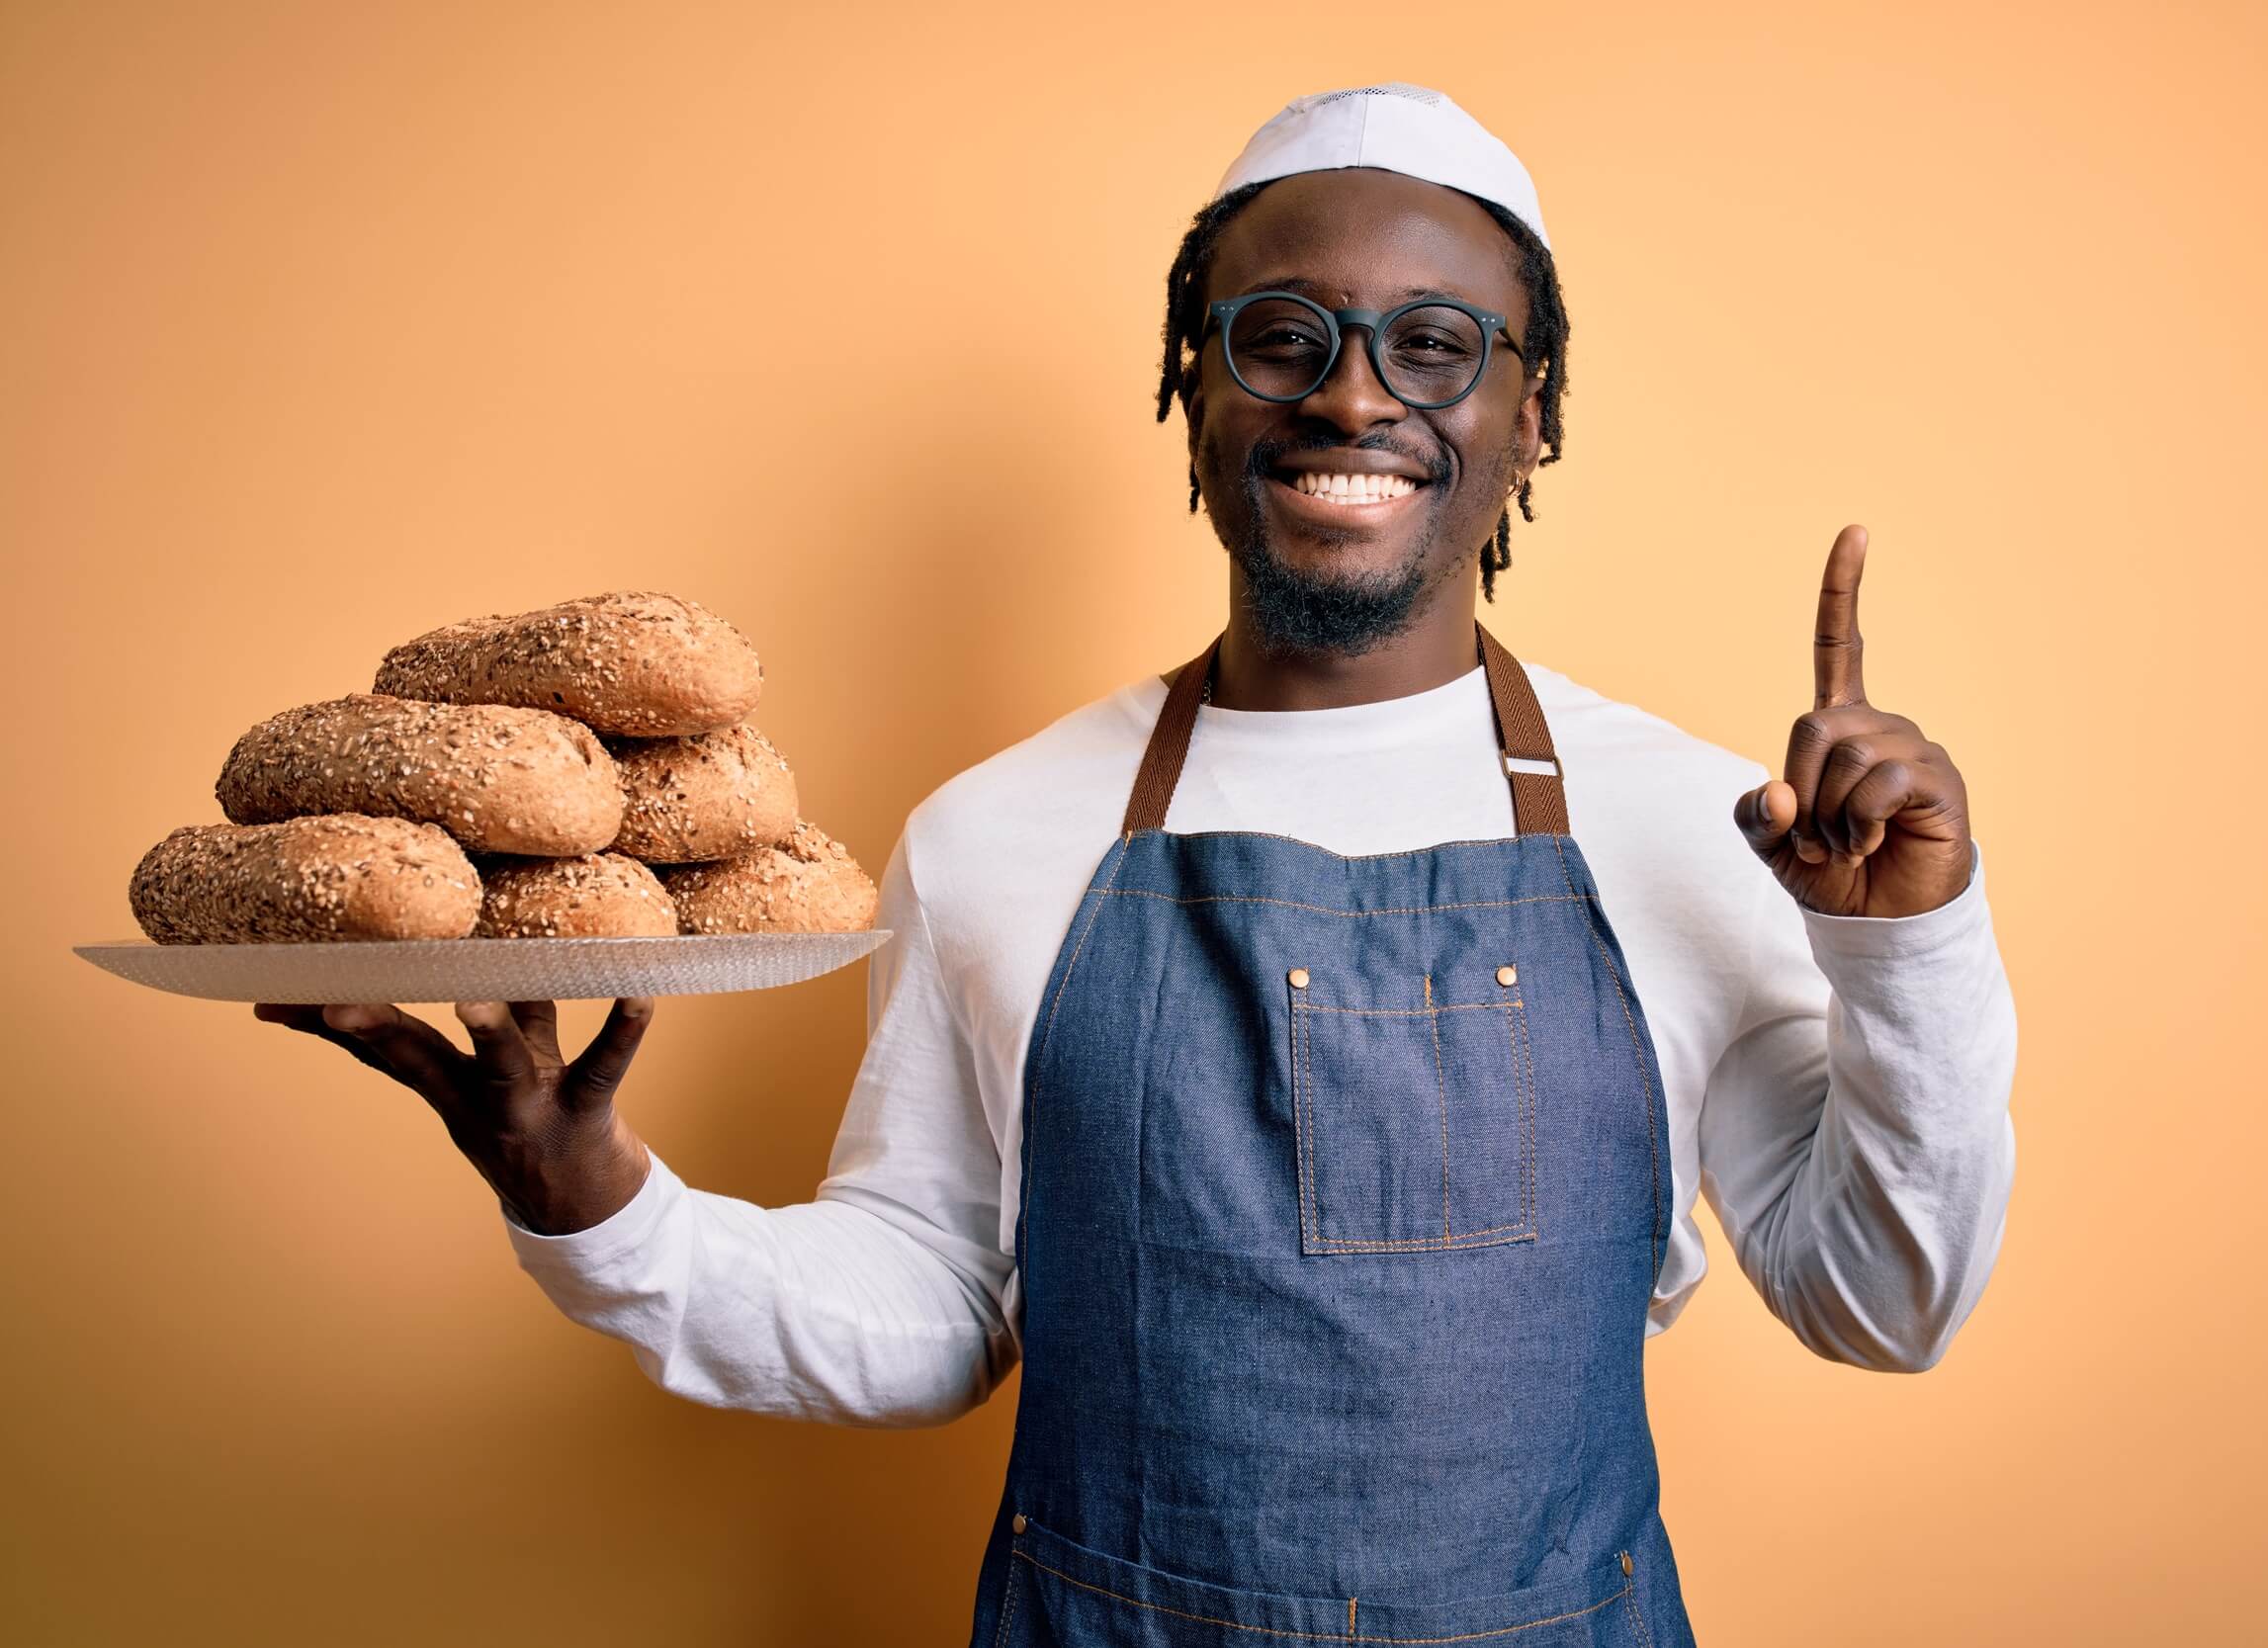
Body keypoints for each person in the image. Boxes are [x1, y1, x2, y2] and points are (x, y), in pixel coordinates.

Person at [257, 83, 2017, 1648]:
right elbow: (936, 1309)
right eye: (1279, 334)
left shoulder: (1701, 828)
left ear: (1529, 416)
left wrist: (1909, 955)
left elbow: (1887, 1305)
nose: (1351, 394)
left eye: (1434, 344)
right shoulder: (999, 830)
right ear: (1191, 387)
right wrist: (604, 1217)